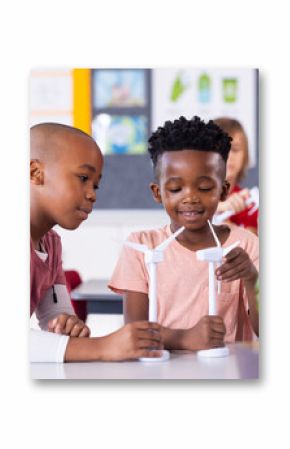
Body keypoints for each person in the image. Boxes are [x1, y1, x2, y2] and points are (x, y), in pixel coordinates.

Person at [109, 116, 259, 352]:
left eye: (205, 188)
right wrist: (184, 338)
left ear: (223, 191)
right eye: (176, 188)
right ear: (157, 192)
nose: (190, 198)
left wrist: (251, 278)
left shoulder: (246, 245)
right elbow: (135, 329)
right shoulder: (141, 246)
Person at [30, 123, 163, 362]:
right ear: (35, 173)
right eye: (83, 178)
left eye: (95, 184)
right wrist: (102, 347)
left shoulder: (50, 244)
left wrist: (68, 326)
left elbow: (55, 315)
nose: (92, 194)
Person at [214, 117, 258, 234]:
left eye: (235, 149)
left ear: (245, 155)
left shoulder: (250, 205)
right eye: (221, 149)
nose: (228, 156)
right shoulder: (193, 195)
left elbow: (251, 246)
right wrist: (220, 207)